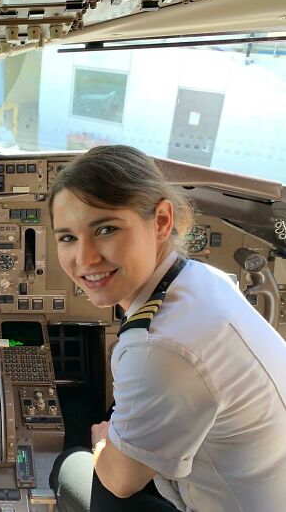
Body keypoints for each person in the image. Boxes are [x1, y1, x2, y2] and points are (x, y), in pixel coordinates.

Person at [47, 145, 286, 512]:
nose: (84, 258)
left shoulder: (160, 345)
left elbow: (120, 481)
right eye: (68, 237)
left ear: (161, 221)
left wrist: (100, 443)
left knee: (69, 466)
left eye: (106, 229)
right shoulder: (204, 278)